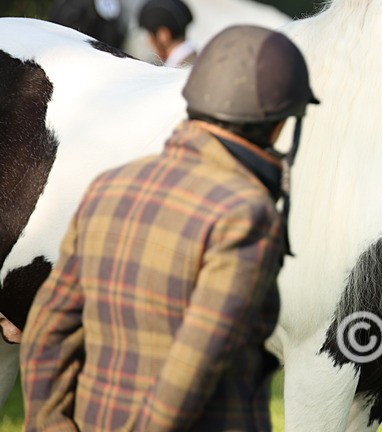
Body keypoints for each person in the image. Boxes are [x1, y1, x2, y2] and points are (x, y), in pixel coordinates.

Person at [21, 25, 319, 430]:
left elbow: (49, 327)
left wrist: (52, 423)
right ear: (278, 123)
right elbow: (194, 364)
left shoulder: (112, 184)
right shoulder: (246, 213)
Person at [138, 0, 197, 66]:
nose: (149, 41)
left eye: (150, 35)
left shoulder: (184, 70)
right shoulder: (199, 60)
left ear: (164, 35)